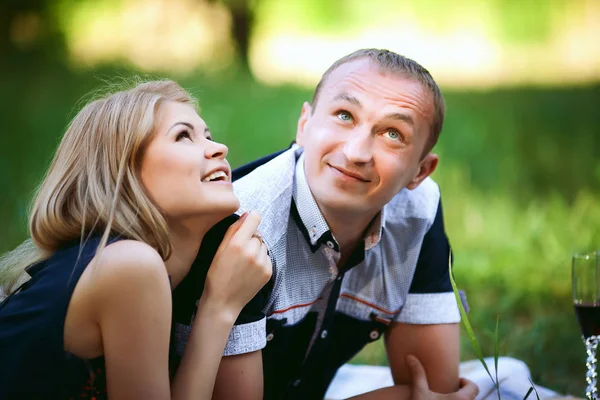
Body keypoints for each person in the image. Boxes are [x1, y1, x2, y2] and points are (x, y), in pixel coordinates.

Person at [172, 49, 479, 399]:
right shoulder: (240, 227)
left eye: (393, 134)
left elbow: (430, 389)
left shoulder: (417, 213)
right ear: (305, 125)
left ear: (420, 171)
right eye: (344, 115)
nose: (356, 152)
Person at [0, 80, 272, 399]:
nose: (219, 148)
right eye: (183, 136)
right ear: (124, 172)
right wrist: (219, 308)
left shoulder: (117, 263)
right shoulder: (129, 265)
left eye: (208, 136)